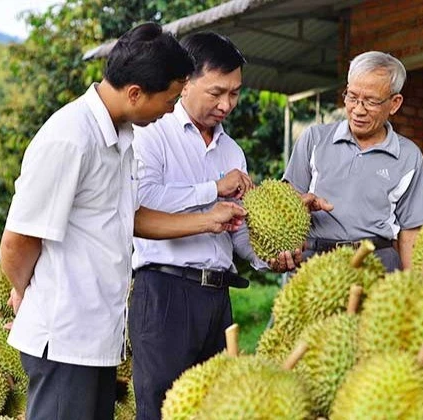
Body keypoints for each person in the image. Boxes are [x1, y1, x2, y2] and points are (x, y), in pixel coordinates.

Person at [0, 23, 247, 420]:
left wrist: (210, 221)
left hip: (97, 335)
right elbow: (17, 241)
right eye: (169, 98)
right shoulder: (70, 137)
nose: (172, 107)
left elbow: (131, 218)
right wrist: (28, 294)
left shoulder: (121, 136)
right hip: (64, 334)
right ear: (135, 93)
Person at [129, 31, 331, 419]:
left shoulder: (231, 150)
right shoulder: (152, 134)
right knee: (160, 409)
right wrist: (213, 188)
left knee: (220, 406)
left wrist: (267, 257)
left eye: (235, 94)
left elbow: (237, 228)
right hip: (165, 292)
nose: (226, 105)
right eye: (216, 92)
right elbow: (142, 204)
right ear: (185, 82)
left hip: (217, 298)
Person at [283, 51, 423, 272]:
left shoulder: (409, 156)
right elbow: (285, 200)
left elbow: (411, 233)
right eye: (352, 97)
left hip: (378, 264)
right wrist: (299, 205)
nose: (358, 110)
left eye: (371, 101)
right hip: (317, 261)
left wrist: (418, 289)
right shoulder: (314, 139)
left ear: (394, 103)